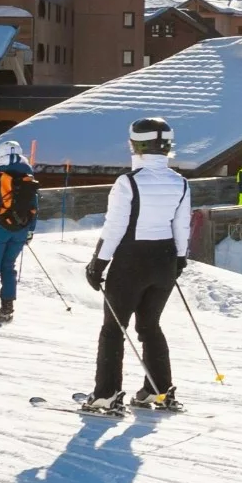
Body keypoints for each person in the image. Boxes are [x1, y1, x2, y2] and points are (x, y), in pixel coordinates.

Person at [76, 117, 192, 414]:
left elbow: (114, 226)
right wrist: (179, 259)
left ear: (136, 145)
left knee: (113, 329)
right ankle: (158, 391)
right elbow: (182, 226)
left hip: (131, 261)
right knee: (150, 326)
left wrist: (97, 264)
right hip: (165, 259)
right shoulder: (180, 182)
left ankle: (106, 394)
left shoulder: (128, 182)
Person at [0, 141, 41, 323]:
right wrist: (30, 230)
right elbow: (34, 206)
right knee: (8, 267)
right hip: (21, 229)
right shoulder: (28, 178)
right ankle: (7, 308)